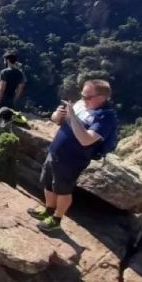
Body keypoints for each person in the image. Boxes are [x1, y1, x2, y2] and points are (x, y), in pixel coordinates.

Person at [28, 79, 117, 233]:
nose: (84, 99)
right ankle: (48, 210)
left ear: (102, 97)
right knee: (48, 182)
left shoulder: (106, 117)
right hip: (55, 151)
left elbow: (86, 140)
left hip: (73, 159)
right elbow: (56, 121)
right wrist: (58, 115)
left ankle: (56, 219)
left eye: (88, 97)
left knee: (63, 189)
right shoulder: (80, 104)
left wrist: (73, 116)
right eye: (83, 95)